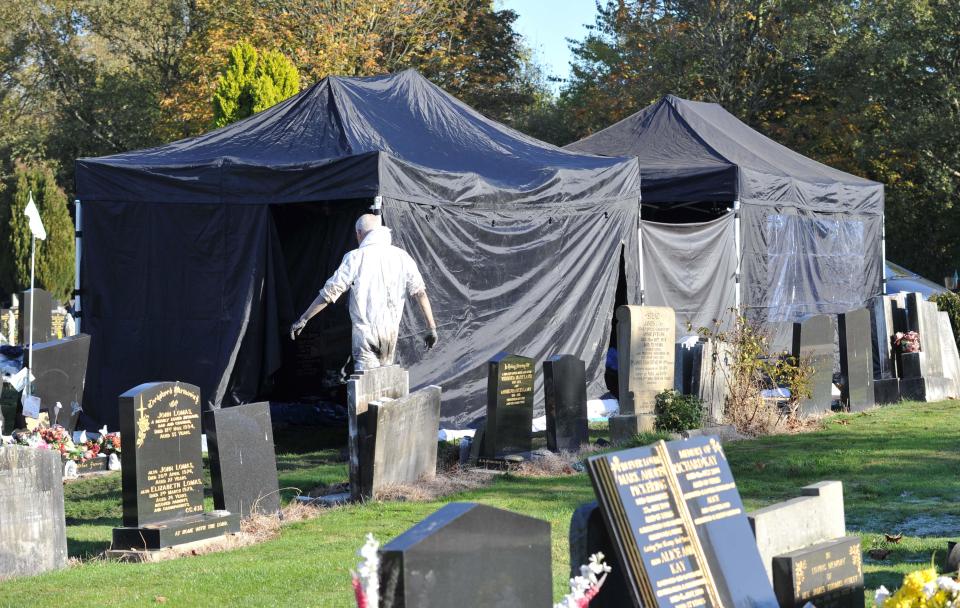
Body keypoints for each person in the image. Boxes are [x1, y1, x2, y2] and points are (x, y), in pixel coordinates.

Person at [290, 214, 438, 371]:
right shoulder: (402, 257)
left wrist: (304, 318)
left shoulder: (355, 257)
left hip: (365, 336)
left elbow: (330, 292)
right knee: (384, 383)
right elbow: (420, 293)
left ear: (359, 233)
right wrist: (432, 327)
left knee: (366, 387)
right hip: (391, 334)